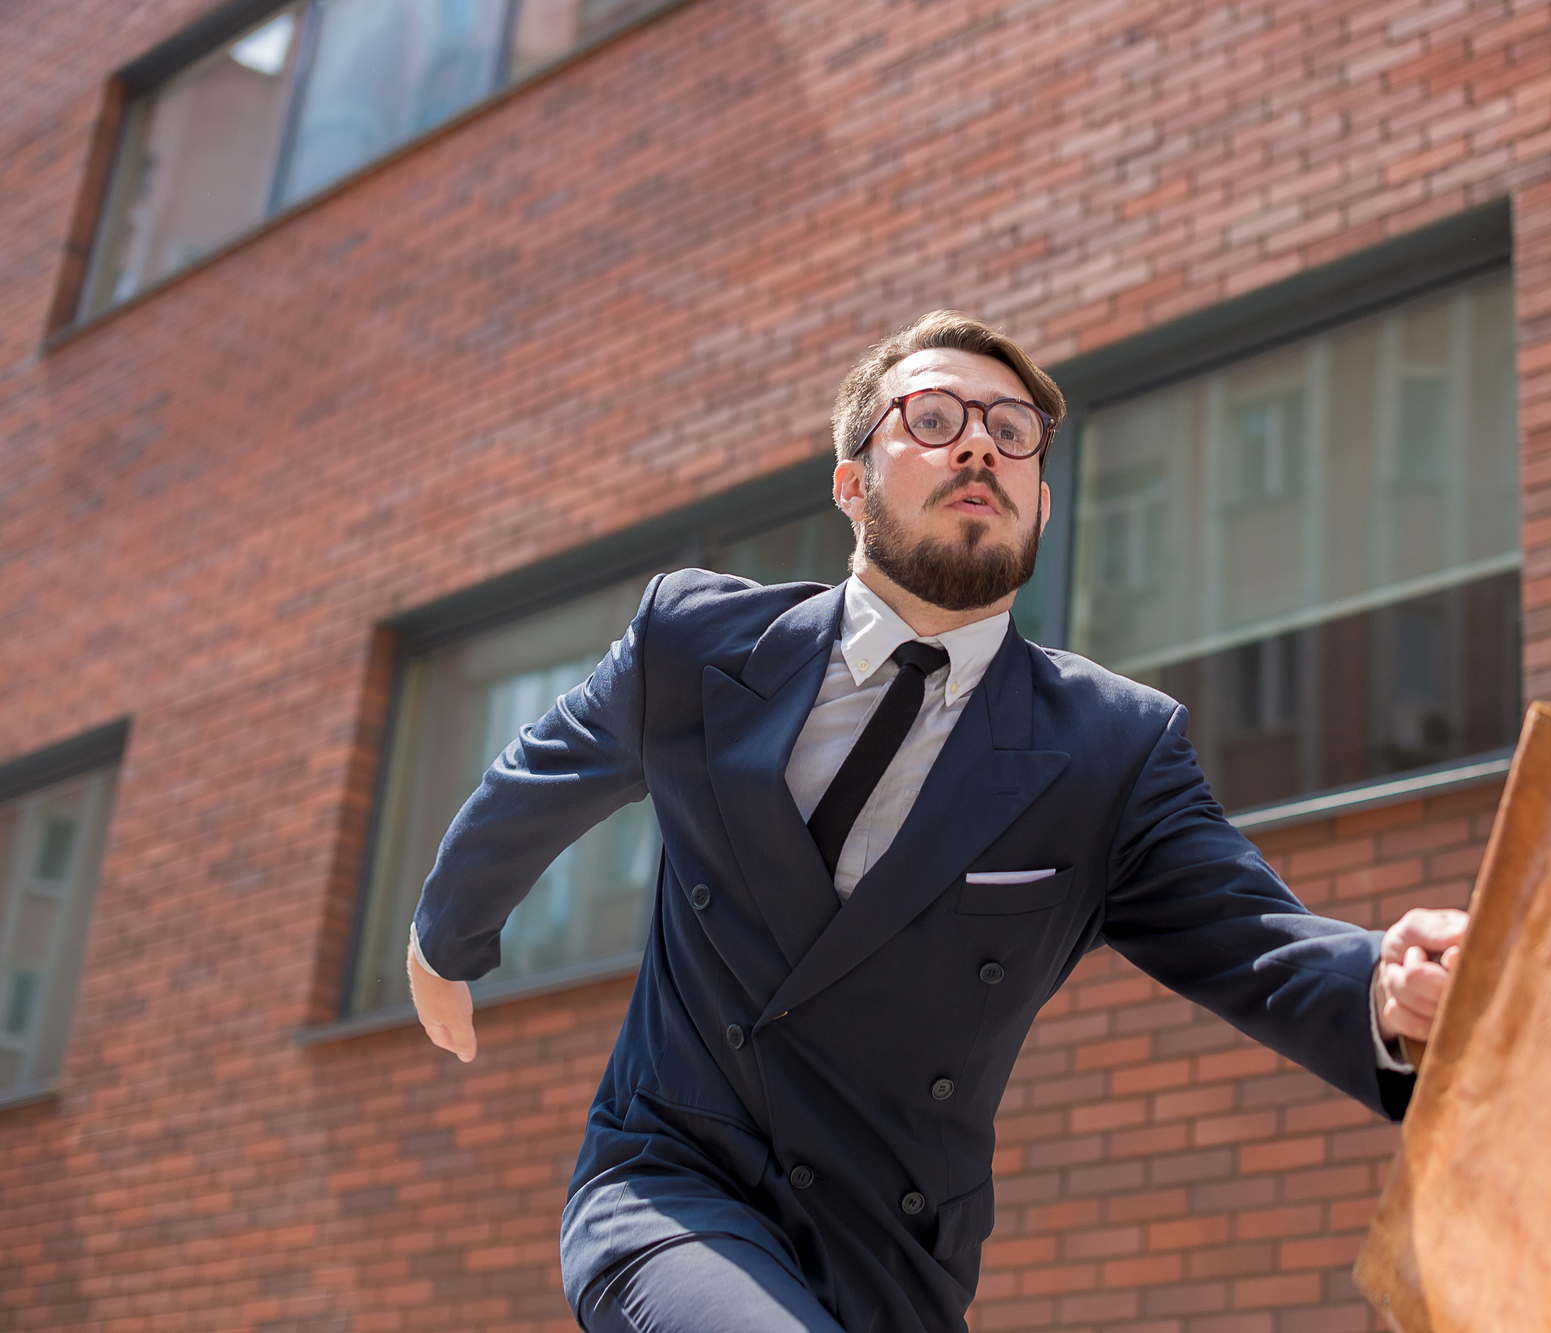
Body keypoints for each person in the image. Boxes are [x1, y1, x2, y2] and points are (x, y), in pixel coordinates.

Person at [407, 311, 1468, 1333]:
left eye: (1012, 433)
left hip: (894, 1253)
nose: (978, 446)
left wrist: (1379, 983)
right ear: (851, 483)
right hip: (674, 1188)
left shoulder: (1109, 748)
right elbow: (533, 780)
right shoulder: (696, 644)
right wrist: (440, 941)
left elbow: (1251, 940)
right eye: (932, 418)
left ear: (1042, 505)